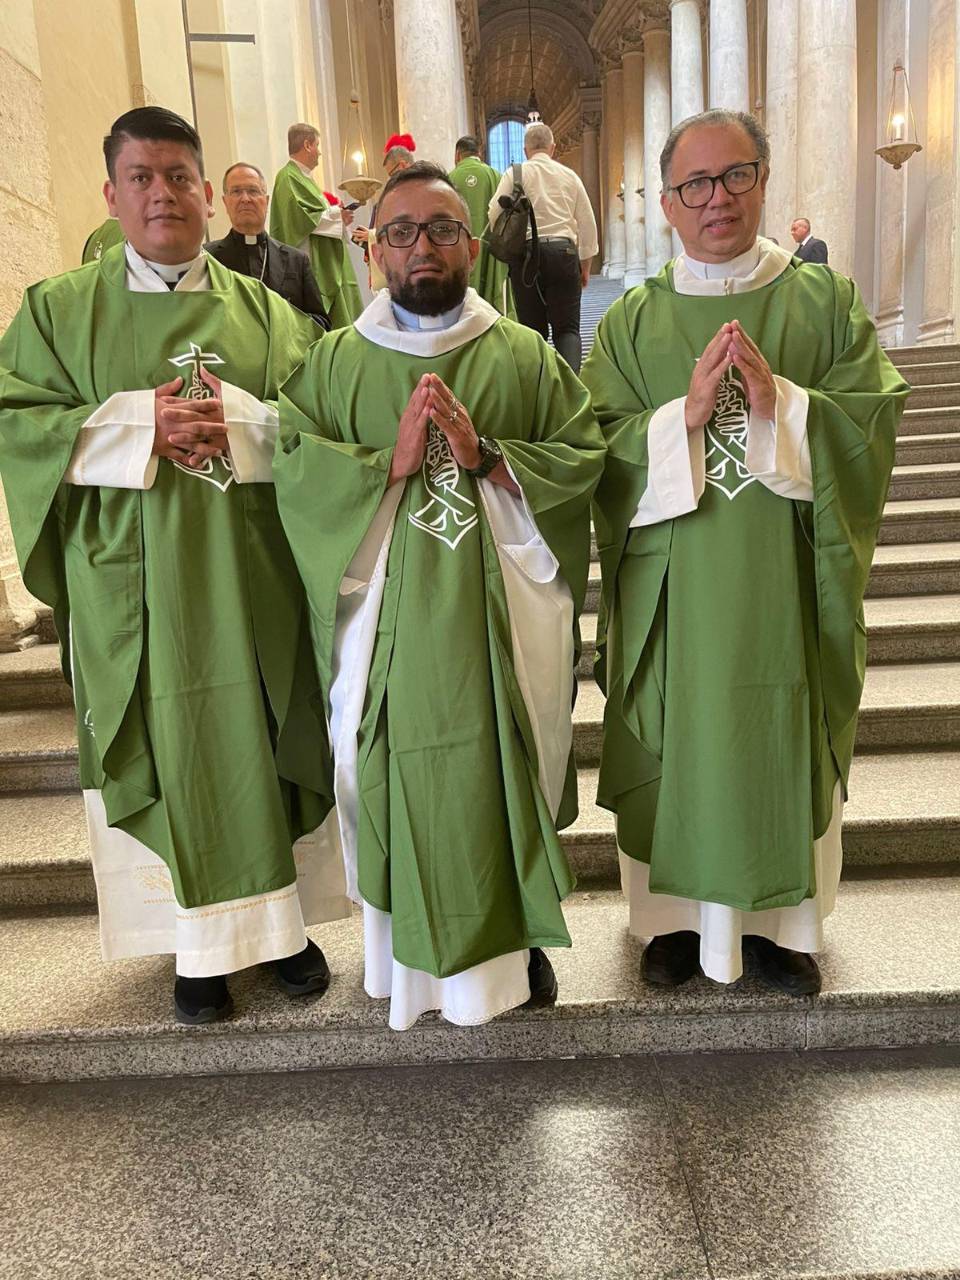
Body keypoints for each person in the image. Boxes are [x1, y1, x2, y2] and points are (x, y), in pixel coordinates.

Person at [0, 107, 349, 1026]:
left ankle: (282, 932)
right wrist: (133, 424)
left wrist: (244, 421)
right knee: (170, 750)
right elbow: (16, 423)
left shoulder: (270, 317)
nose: (164, 194)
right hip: (134, 584)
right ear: (112, 194)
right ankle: (195, 948)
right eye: (142, 178)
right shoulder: (58, 312)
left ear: (207, 193)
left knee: (264, 737)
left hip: (250, 580)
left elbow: (321, 431)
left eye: (179, 177)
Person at [581, 109, 908, 997]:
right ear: (666, 203)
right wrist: (678, 421)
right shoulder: (632, 321)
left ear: (762, 181)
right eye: (694, 184)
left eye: (735, 176)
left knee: (777, 731)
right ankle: (672, 923)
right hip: (675, 593)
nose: (716, 199)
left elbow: (871, 421)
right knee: (675, 735)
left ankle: (778, 929)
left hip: (785, 585)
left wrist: (787, 407)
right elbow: (593, 445)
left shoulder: (823, 302)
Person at [274, 161, 605, 1031]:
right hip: (382, 623)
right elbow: (292, 466)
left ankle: (517, 939)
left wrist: (490, 459)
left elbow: (583, 456)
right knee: (379, 767)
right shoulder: (336, 362)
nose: (422, 246)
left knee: (510, 765)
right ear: (374, 250)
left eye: (443, 230)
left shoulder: (523, 354)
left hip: (505, 618)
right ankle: (397, 952)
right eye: (401, 232)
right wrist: (384, 466)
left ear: (473, 246)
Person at [488, 122, 598, 374]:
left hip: (526, 258)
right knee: (567, 330)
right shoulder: (569, 176)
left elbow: (493, 213)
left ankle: (540, 386)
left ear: (525, 149)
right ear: (553, 147)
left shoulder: (514, 174)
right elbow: (587, 224)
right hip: (564, 254)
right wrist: (585, 267)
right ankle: (571, 388)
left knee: (532, 331)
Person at [206, 161, 330, 329]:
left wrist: (283, 319)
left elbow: (322, 324)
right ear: (225, 202)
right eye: (236, 191)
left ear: (266, 200)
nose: (245, 199)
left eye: (253, 191)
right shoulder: (208, 258)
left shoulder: (297, 261)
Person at [270, 122, 362, 327]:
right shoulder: (287, 177)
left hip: (323, 256)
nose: (319, 152)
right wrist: (337, 216)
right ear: (307, 145)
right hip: (310, 262)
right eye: (317, 145)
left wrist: (339, 216)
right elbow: (299, 218)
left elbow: (316, 214)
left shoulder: (304, 178)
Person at [448, 135, 514, 317]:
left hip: (462, 248)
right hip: (492, 249)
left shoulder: (448, 179)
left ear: (457, 155)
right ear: (479, 153)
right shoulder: (496, 176)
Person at [351, 134, 417, 292]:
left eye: (392, 174)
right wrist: (370, 236)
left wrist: (372, 236)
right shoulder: (400, 190)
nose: (390, 179)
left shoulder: (417, 189)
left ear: (402, 165)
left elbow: (412, 228)